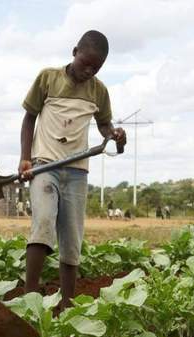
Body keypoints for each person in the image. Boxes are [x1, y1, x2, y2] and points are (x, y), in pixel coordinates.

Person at [18, 30, 126, 309]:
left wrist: (113, 133)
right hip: (45, 165)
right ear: (74, 51)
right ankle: (30, 299)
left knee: (72, 238)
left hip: (77, 171)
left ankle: (66, 306)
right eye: (85, 63)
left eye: (96, 67)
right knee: (43, 222)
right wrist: (25, 158)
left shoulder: (98, 91)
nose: (88, 71)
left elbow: (104, 123)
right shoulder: (48, 78)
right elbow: (29, 117)